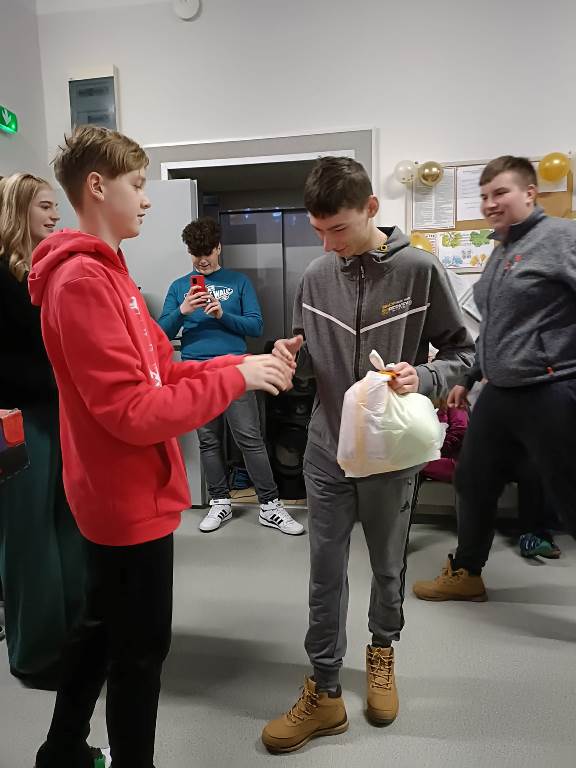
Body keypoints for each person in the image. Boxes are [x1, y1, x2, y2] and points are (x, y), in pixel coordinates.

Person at [28, 126, 294, 768]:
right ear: (98, 186)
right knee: (140, 652)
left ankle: (60, 751)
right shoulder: (82, 282)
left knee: (101, 627)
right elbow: (133, 411)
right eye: (138, 184)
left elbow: (162, 370)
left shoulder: (110, 274)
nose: (147, 199)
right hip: (124, 497)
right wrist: (235, 379)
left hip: (125, 491)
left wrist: (240, 364)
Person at [262, 156, 474, 753]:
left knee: (386, 565)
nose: (329, 244)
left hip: (389, 455)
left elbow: (463, 354)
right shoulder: (315, 276)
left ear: (371, 209)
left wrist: (424, 376)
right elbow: (308, 356)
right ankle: (325, 688)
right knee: (325, 573)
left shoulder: (419, 270)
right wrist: (289, 356)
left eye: (339, 229)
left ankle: (382, 652)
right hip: (327, 450)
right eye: (319, 231)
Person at [413, 155, 576, 603]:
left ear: (530, 192)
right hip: (500, 393)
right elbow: (497, 326)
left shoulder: (561, 238)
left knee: (568, 493)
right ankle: (467, 572)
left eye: (500, 192)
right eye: (484, 195)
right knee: (472, 479)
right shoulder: (501, 248)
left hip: (549, 389)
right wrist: (470, 375)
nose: (489, 203)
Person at [158, 217, 303, 535]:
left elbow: (256, 326)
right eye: (196, 254)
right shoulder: (180, 287)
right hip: (195, 373)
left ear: (219, 247)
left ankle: (270, 506)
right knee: (208, 440)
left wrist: (222, 315)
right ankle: (219, 501)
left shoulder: (239, 282)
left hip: (236, 369)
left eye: (207, 252)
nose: (202, 260)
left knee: (250, 439)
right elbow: (159, 334)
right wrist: (182, 311)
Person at [0, 173, 86, 688]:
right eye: (45, 207)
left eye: (56, 207)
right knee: (28, 532)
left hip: (60, 413)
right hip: (18, 420)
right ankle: (35, 652)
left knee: (70, 523)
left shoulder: (49, 269)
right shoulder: (3, 275)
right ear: (17, 208)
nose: (56, 215)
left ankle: (74, 636)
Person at [448, 364, 561, 559]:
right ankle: (467, 560)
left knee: (533, 464)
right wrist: (467, 380)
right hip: (493, 418)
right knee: (473, 472)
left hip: (527, 413)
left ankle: (532, 535)